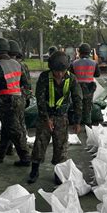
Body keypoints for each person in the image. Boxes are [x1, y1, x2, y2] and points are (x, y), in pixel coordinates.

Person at [28, 51, 83, 184]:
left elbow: (77, 100)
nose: (59, 74)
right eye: (56, 71)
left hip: (61, 117)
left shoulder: (72, 79)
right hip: (45, 116)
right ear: (51, 68)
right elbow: (40, 99)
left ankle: (59, 173)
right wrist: (46, 118)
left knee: (61, 146)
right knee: (40, 144)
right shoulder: (44, 77)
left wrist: (77, 121)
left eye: (62, 71)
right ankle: (34, 171)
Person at [0, 37, 31, 167]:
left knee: (14, 130)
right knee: (7, 127)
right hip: (19, 99)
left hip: (6, 101)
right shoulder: (17, 64)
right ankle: (0, 154)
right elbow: (26, 84)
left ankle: (25, 157)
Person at [69, 43, 101, 126]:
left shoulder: (74, 63)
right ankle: (87, 124)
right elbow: (97, 74)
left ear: (79, 52)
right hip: (89, 88)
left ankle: (77, 124)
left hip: (77, 87)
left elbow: (71, 75)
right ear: (89, 52)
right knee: (87, 107)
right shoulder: (94, 63)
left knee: (77, 106)